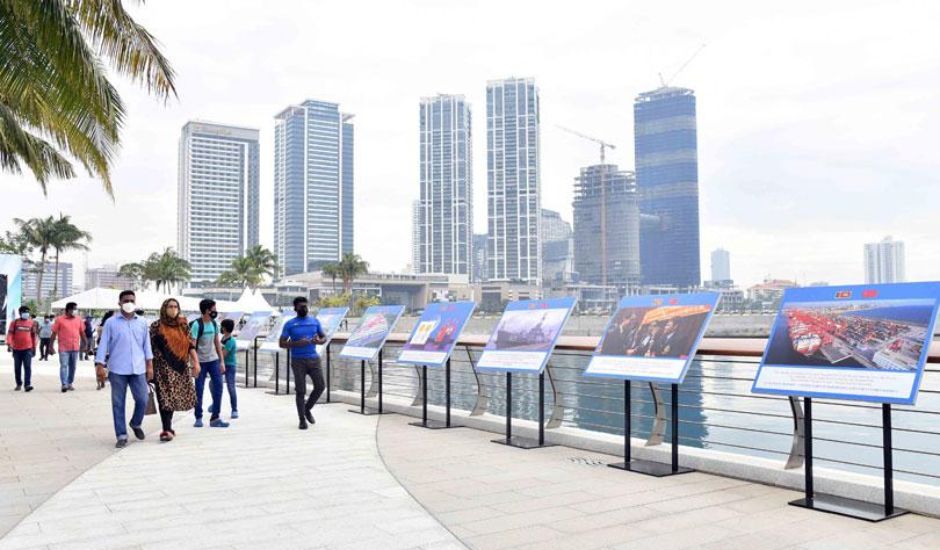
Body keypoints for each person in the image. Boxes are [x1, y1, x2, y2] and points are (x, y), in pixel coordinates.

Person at [95, 290, 153, 448]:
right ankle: (121, 434)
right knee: (118, 403)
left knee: (143, 399)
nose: (129, 303)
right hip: (117, 369)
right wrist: (99, 365)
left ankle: (136, 423)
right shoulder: (111, 323)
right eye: (126, 300)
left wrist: (150, 365)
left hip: (138, 368)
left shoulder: (142, 322)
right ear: (119, 303)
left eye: (132, 300)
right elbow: (103, 344)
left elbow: (147, 345)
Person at [149, 299, 200, 442]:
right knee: (164, 397)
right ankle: (166, 429)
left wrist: (196, 362)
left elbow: (190, 346)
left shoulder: (183, 325)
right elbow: (150, 348)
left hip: (180, 367)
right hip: (162, 368)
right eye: (170, 306)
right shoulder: (156, 326)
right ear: (164, 308)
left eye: (175, 306)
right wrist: (149, 368)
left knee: (173, 397)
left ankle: (169, 427)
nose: (173, 309)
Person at [280, 296, 326, 430]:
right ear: (295, 308)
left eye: (306, 306)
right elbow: (281, 343)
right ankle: (302, 420)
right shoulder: (290, 324)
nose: (304, 308)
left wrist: (319, 341)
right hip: (298, 361)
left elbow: (323, 337)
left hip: (314, 359)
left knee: (320, 386)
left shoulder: (315, 321)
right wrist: (296, 344)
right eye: (301, 306)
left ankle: (307, 409)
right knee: (301, 391)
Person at [191, 298, 228, 428]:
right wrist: (194, 364)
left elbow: (217, 343)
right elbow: (192, 346)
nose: (215, 311)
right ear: (207, 310)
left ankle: (215, 417)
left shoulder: (214, 324)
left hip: (214, 361)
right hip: (200, 362)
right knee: (199, 390)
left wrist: (222, 362)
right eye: (214, 309)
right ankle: (198, 417)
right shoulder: (197, 325)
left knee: (219, 387)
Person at [50, 302, 87, 392]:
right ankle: (64, 384)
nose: (76, 311)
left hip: (75, 348)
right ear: (68, 310)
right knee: (64, 365)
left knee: (73, 367)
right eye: (74, 309)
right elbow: (54, 333)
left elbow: (82, 333)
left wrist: (85, 344)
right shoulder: (59, 320)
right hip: (64, 348)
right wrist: (51, 346)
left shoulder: (78, 320)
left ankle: (69, 383)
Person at [6, 306, 37, 391]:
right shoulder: (14, 323)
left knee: (27, 367)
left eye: (27, 312)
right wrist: (9, 344)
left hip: (28, 349)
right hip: (16, 349)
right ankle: (19, 383)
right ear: (20, 313)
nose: (26, 314)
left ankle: (27, 385)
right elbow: (10, 334)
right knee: (17, 368)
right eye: (25, 312)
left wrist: (34, 348)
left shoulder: (32, 323)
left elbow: (33, 336)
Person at [220, 318, 239, 419]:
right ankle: (215, 403)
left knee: (231, 387)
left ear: (225, 328)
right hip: (221, 364)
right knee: (213, 384)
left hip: (230, 366)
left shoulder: (231, 341)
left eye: (222, 326)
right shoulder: (223, 338)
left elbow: (223, 354)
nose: (221, 328)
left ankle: (234, 409)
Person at [95, 310, 115, 390]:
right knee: (106, 366)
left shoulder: (100, 327)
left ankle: (99, 383)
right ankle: (103, 380)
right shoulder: (110, 326)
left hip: (100, 348)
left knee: (99, 366)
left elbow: (98, 339)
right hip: (108, 349)